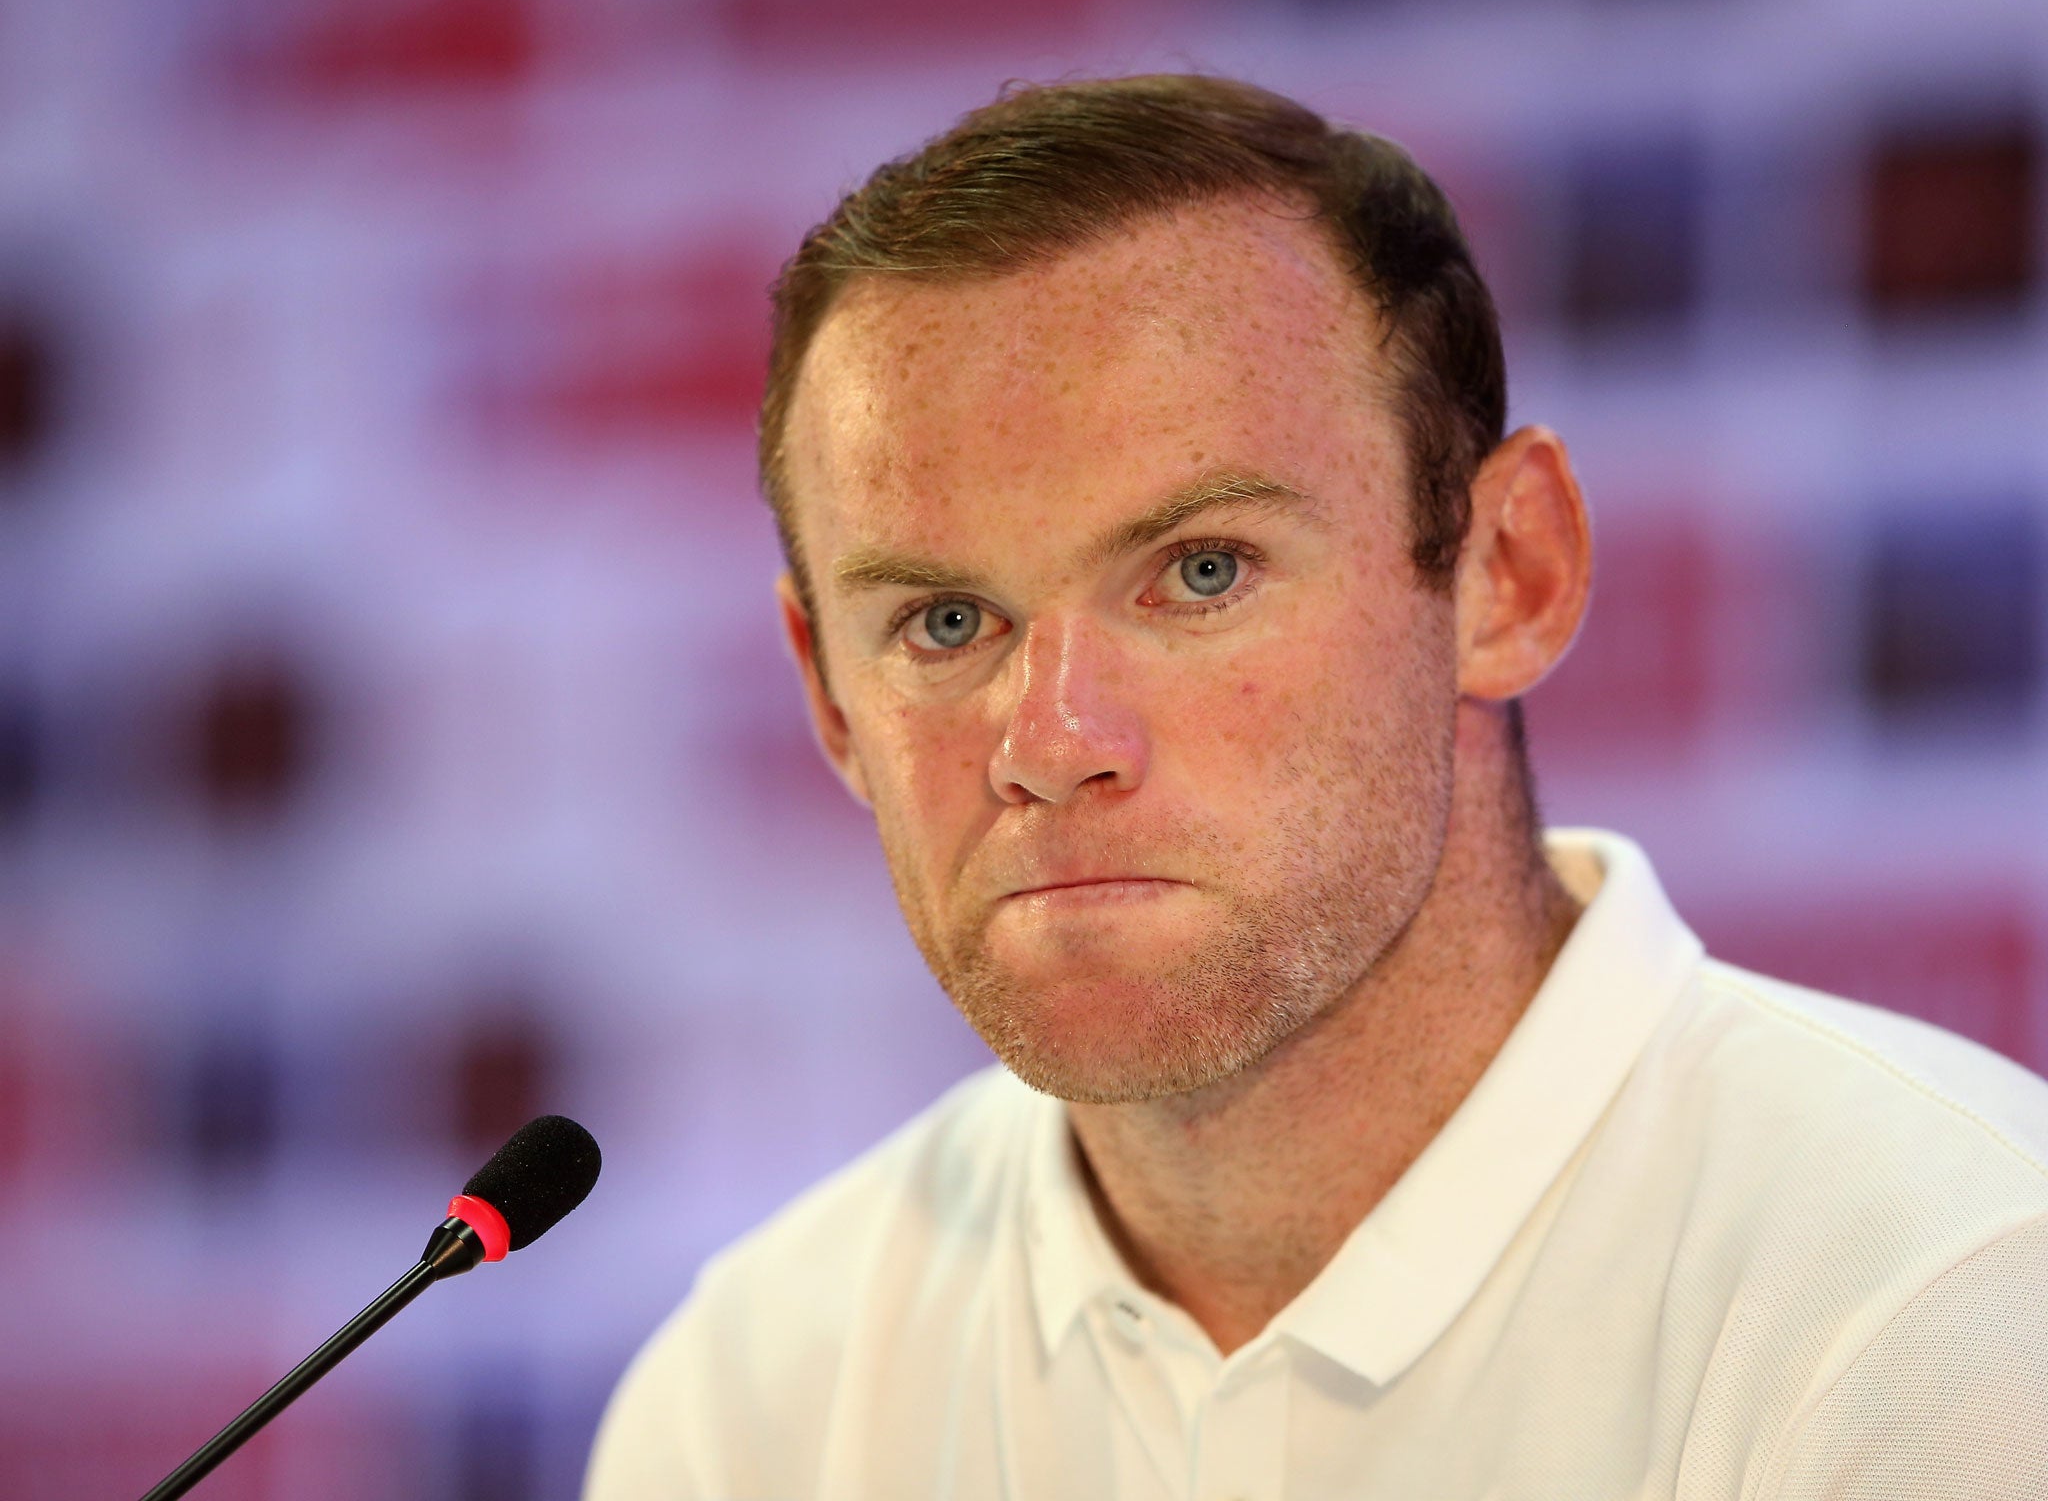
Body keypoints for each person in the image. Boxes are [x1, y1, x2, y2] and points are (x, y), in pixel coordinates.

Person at [584, 75, 2048, 1499]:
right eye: (946, 624)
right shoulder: (750, 1403)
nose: (1051, 740)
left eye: (1200, 572)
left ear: (1507, 574)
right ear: (829, 696)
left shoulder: (1948, 1308)